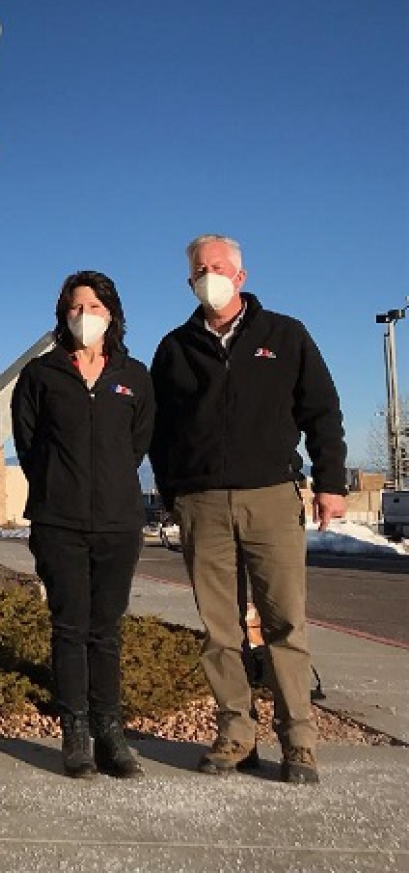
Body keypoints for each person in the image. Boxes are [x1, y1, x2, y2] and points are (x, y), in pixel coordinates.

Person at [149, 234, 346, 785]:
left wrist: (330, 482)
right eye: (198, 268)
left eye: (217, 266)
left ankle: (298, 741)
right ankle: (236, 733)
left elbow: (322, 412)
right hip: (202, 504)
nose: (207, 275)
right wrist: (175, 492)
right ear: (189, 279)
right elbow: (159, 433)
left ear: (239, 275)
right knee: (219, 630)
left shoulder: (285, 335)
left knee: (285, 622)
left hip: (271, 499)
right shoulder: (175, 347)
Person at [12, 270, 155, 779]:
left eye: (94, 307)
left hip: (118, 523)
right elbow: (28, 445)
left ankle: (110, 731)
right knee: (69, 627)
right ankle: (75, 733)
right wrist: (59, 485)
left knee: (107, 630)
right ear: (63, 315)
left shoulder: (133, 376)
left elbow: (136, 444)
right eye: (76, 307)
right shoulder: (40, 376)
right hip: (59, 522)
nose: (84, 315)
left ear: (111, 314)